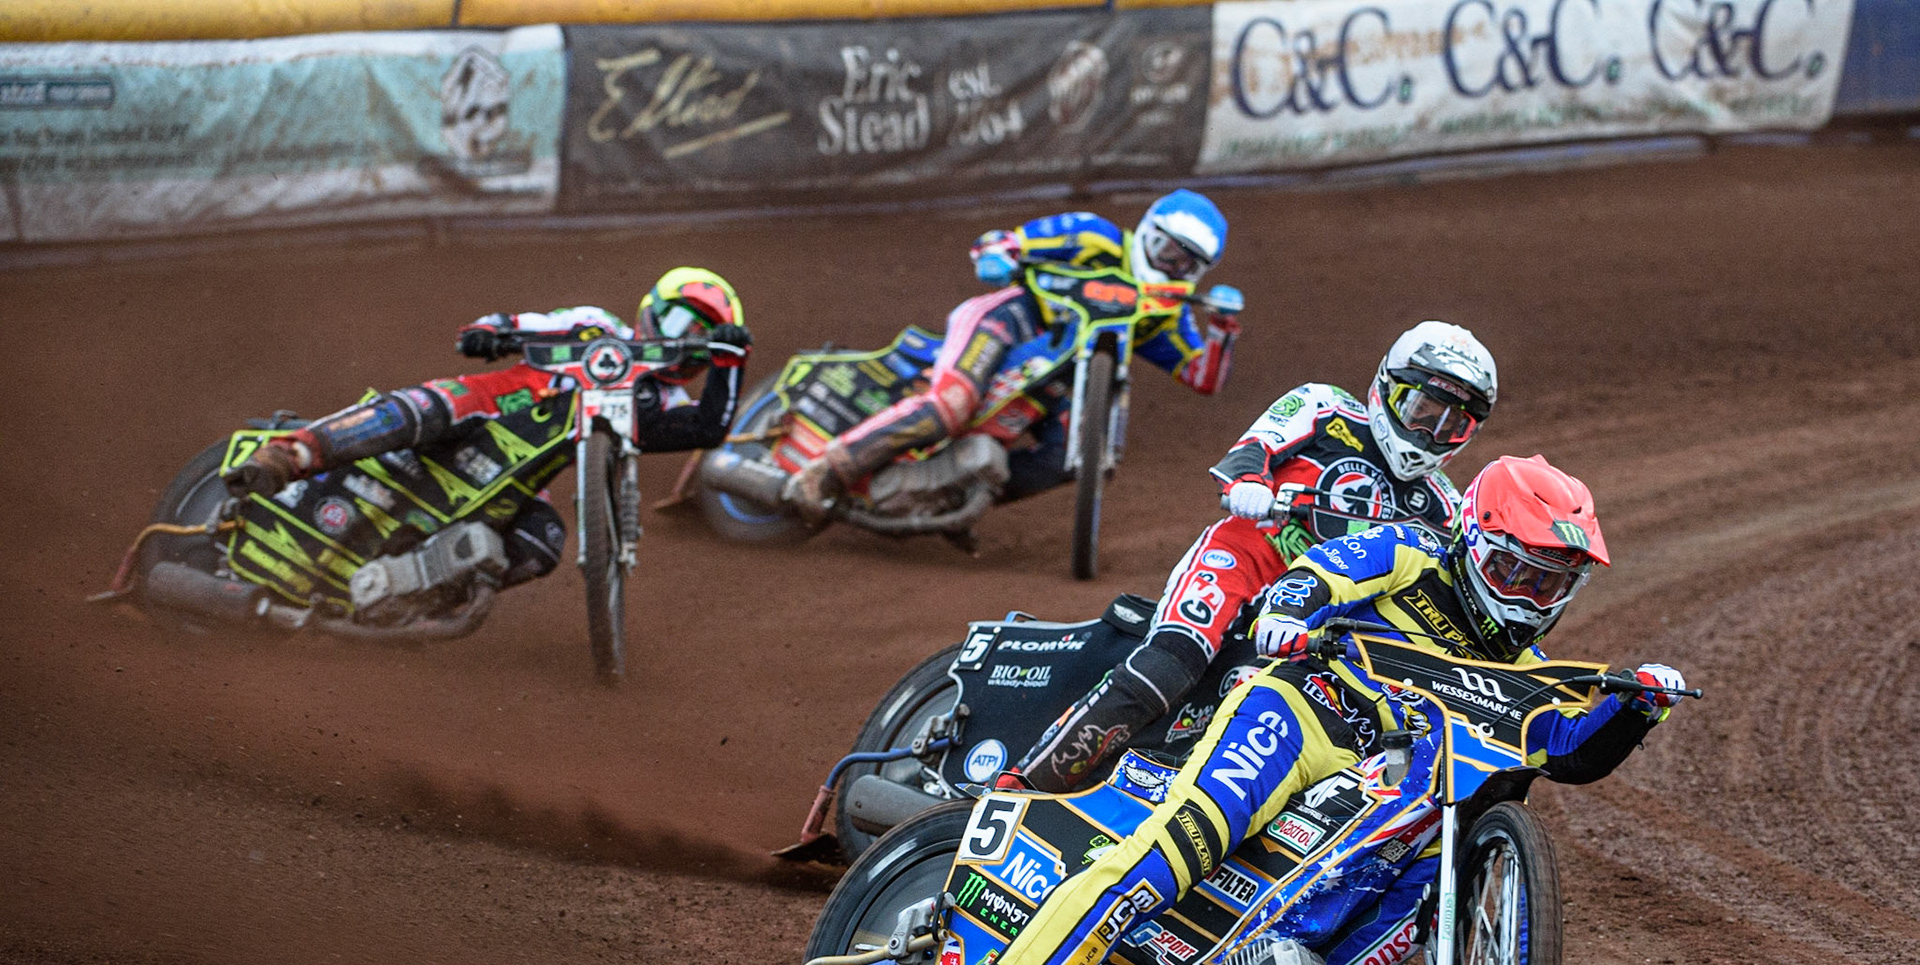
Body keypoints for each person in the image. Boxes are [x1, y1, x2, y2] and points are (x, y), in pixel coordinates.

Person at [964, 454, 1690, 965]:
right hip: (1301, 711)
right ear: (1473, 541)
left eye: (1551, 583)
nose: (1530, 598)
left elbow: (1571, 754)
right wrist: (1288, 611)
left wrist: (1637, 710)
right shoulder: (1412, 550)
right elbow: (1321, 573)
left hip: (1379, 775)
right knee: (1188, 837)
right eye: (1515, 572)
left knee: (1405, 880)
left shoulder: (1531, 677)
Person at [1012, 321, 1495, 792]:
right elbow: (1255, 447)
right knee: (1169, 664)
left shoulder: (1443, 509)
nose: (1430, 433)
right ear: (1387, 388)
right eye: (1421, 410)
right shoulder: (1325, 407)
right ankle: (1021, 783)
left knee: (1276, 719)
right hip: (1244, 559)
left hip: (1318, 621)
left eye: (1454, 425)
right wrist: (1248, 484)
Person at [222, 267, 752, 586]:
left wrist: (731, 363)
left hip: (516, 479)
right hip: (480, 410)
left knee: (542, 542)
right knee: (423, 409)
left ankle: (413, 597)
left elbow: (709, 427)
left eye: (706, 339)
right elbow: (524, 325)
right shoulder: (597, 327)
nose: (689, 342)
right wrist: (491, 331)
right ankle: (289, 454)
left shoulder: (663, 402)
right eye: (684, 325)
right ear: (652, 311)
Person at [784, 189, 1241, 516]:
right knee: (951, 405)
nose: (1170, 265)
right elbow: (1009, 241)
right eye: (1165, 249)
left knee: (1070, 457)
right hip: (1012, 322)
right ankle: (826, 470)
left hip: (1058, 382)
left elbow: (1200, 377)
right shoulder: (1094, 236)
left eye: (1185, 263)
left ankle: (949, 497)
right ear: (1147, 230)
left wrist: (1222, 329)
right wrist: (998, 253)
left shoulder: (1166, 309)